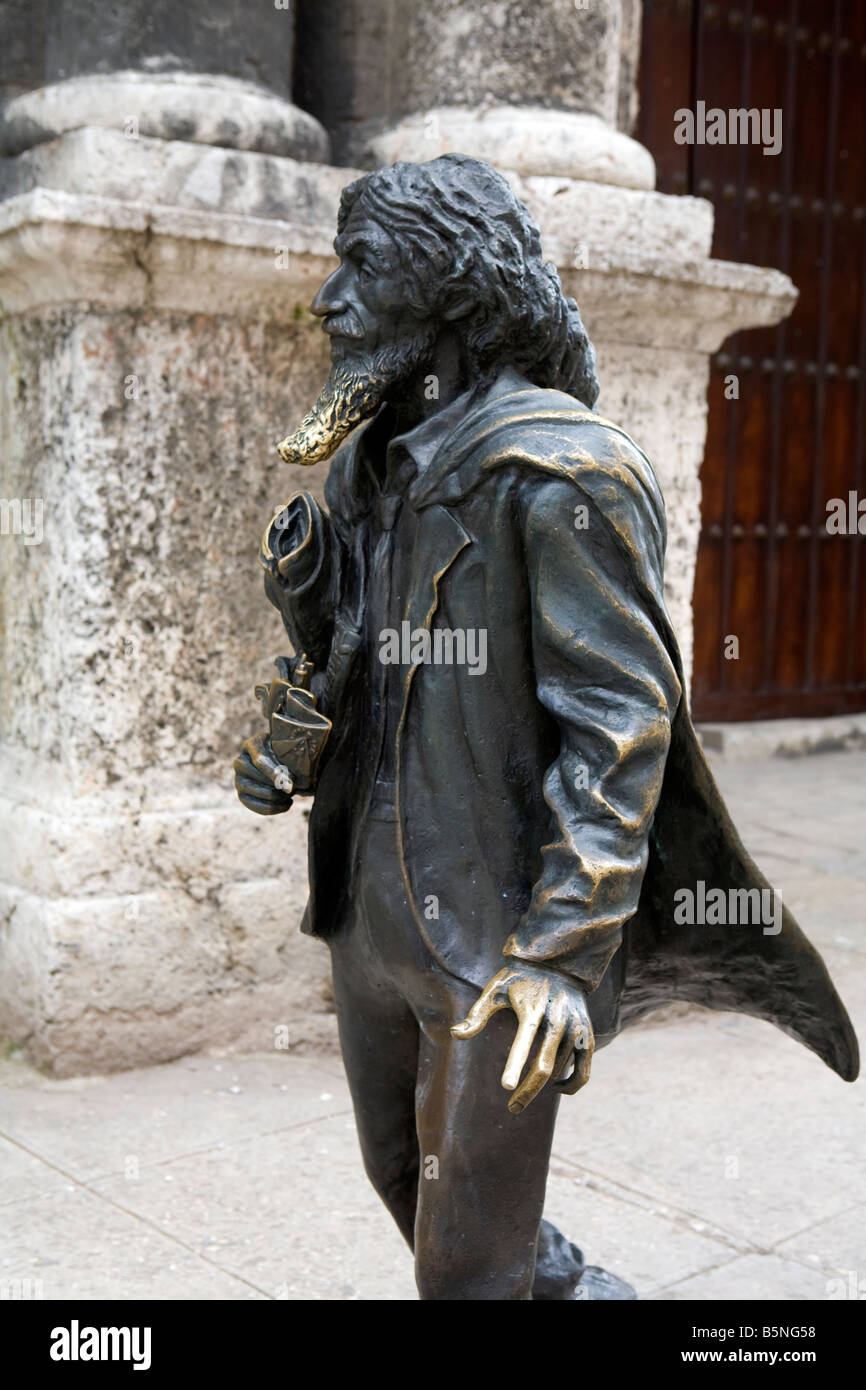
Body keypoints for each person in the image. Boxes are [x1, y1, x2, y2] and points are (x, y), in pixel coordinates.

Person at [234, 155, 858, 1301]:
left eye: (359, 268)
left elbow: (619, 724)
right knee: (404, 1185)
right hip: (368, 913)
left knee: (465, 1266)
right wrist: (310, 610)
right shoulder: (372, 468)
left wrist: (563, 952)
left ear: (447, 293)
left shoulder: (561, 474)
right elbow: (361, 663)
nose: (327, 297)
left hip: (497, 937)